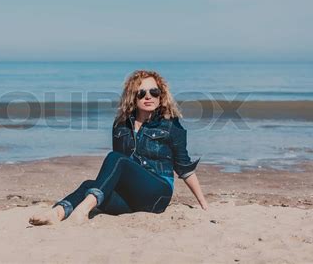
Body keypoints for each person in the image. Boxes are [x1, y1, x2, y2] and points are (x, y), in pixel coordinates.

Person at [29, 70, 208, 226]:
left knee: (116, 159)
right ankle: (57, 214)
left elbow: (184, 169)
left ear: (161, 96)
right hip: (131, 200)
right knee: (89, 185)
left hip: (157, 195)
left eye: (154, 92)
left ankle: (82, 211)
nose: (148, 96)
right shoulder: (121, 125)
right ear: (133, 96)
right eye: (141, 93)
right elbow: (117, 173)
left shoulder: (171, 126)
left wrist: (203, 204)